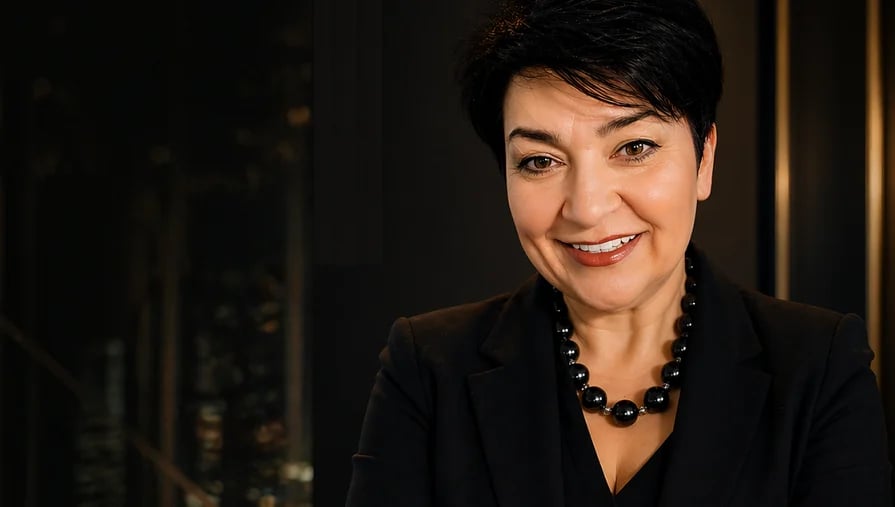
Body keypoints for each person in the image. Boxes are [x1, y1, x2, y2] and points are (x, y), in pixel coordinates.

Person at [345, 0, 892, 505]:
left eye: (633, 148)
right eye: (540, 160)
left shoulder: (818, 369)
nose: (586, 207)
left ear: (704, 160)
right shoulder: (427, 368)